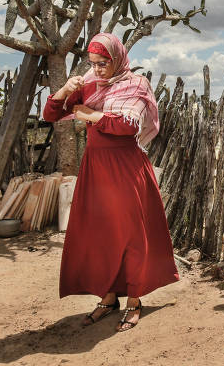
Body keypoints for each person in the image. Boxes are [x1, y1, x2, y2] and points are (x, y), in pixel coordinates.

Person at [43, 32, 179, 332]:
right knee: (100, 234)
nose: (99, 69)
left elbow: (125, 126)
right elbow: (51, 113)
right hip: (95, 169)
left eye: (104, 62)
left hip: (126, 168)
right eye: (93, 63)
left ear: (118, 58)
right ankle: (107, 299)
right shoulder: (89, 83)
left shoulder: (136, 84)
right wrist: (66, 89)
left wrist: (91, 115)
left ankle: (133, 300)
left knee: (131, 234)